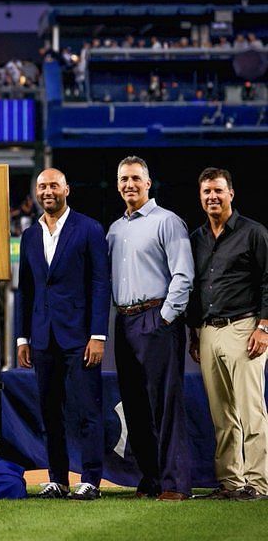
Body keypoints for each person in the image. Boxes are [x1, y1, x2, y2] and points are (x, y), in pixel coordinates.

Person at [17, 169, 110, 500]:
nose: (47, 191)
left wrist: (98, 334)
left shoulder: (89, 229)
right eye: (42, 186)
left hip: (80, 338)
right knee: (49, 413)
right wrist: (22, 339)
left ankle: (91, 479)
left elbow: (100, 284)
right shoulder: (29, 235)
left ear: (66, 189)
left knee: (87, 411)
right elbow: (25, 291)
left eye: (53, 185)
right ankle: (57, 478)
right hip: (42, 339)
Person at [106, 155, 194, 501]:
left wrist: (165, 317)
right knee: (136, 405)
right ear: (118, 185)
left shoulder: (167, 222)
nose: (129, 184)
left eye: (135, 178)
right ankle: (151, 479)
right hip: (124, 320)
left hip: (155, 316)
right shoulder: (115, 229)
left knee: (165, 404)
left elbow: (183, 275)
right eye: (123, 179)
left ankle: (175, 483)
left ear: (148, 182)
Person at [188, 168, 268, 500]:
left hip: (245, 327)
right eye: (207, 191)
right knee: (222, 414)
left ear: (231, 193)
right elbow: (194, 289)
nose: (212, 197)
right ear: (201, 196)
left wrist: (264, 327)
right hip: (208, 331)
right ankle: (231, 482)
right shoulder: (197, 238)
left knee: (251, 411)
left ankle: (259, 483)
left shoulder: (254, 233)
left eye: (218, 191)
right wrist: (195, 335)